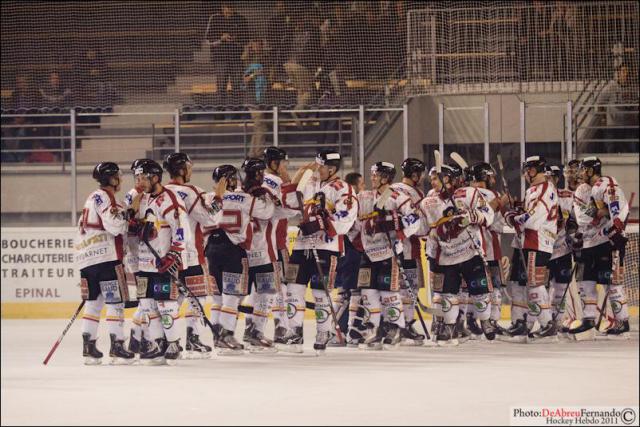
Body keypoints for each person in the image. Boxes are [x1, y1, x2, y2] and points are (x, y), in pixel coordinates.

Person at [281, 150, 357, 353]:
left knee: (319, 292)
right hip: (301, 245)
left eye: (320, 165)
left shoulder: (343, 188)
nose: (317, 169)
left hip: (325, 248)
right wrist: (300, 174)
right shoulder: (310, 183)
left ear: (331, 168)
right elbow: (289, 205)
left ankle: (324, 331)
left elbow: (345, 219)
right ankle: (294, 332)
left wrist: (321, 223)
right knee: (293, 290)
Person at [418, 163, 495, 346]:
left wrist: (473, 216)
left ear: (448, 179)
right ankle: (450, 326)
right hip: (446, 256)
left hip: (471, 252)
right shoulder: (428, 201)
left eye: (436, 178)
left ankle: (485, 320)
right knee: (448, 295)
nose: (432, 182)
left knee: (480, 293)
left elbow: (488, 214)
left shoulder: (468, 193)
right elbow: (422, 229)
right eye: (431, 179)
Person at [204, 162, 275, 354]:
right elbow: (267, 211)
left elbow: (205, 217)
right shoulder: (244, 198)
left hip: (211, 249)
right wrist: (267, 197)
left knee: (217, 299)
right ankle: (226, 335)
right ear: (232, 179)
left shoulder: (209, 197)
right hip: (233, 250)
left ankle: (217, 338)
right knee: (232, 296)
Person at [132, 159, 195, 364]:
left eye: (143, 177)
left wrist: (174, 254)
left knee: (166, 305)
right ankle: (158, 344)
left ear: (155, 177)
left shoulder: (170, 199)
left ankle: (173, 343)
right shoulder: (142, 198)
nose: (139, 181)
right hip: (144, 263)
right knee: (148, 305)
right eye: (137, 177)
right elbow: (135, 225)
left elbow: (181, 229)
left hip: (163, 262)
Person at [355, 162, 421, 350]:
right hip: (368, 252)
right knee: (368, 293)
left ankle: (395, 327)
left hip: (389, 252)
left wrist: (397, 227)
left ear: (386, 177)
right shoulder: (365, 196)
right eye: (372, 174)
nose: (373, 178)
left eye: (376, 175)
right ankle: (375, 328)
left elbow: (414, 219)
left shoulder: (398, 197)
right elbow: (353, 213)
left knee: (389, 293)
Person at [75, 162, 134, 365]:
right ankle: (117, 346)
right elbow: (115, 225)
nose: (121, 180)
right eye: (118, 176)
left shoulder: (91, 198)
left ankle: (88, 348)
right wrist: (129, 216)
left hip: (86, 260)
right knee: (115, 303)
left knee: (93, 303)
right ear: (112, 178)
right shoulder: (105, 197)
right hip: (106, 259)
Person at [569, 157, 631, 339]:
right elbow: (582, 218)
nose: (579, 173)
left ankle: (622, 322)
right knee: (585, 281)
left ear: (590, 171)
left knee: (612, 283)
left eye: (582, 170)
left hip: (609, 241)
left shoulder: (606, 183)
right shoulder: (581, 190)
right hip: (589, 243)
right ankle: (589, 319)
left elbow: (619, 211)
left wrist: (606, 217)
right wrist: (599, 212)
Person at [163, 152, 217, 358]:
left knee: (170, 301)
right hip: (192, 254)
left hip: (169, 256)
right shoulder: (192, 191)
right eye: (189, 166)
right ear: (182, 170)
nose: (191, 169)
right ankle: (193, 340)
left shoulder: (164, 190)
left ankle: (151, 338)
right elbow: (209, 218)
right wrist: (217, 198)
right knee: (199, 298)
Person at [503, 156, 559, 343]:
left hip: (538, 242)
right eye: (526, 169)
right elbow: (528, 214)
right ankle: (520, 324)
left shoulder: (545, 189)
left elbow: (533, 220)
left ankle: (547, 325)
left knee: (535, 284)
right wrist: (517, 210)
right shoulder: (533, 190)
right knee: (517, 283)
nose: (527, 173)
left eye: (531, 169)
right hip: (525, 242)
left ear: (540, 169)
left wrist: (514, 218)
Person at [260, 147, 302, 346]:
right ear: (274, 163)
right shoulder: (275, 181)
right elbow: (291, 210)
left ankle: (261, 328)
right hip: (274, 243)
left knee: (266, 288)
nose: (286, 166)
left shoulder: (257, 180)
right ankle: (281, 327)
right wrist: (290, 183)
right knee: (280, 287)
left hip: (261, 243)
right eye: (283, 163)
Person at [390, 158, 428, 345]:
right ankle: (406, 325)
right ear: (414, 175)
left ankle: (393, 325)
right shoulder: (416, 194)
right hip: (408, 248)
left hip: (388, 247)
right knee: (409, 289)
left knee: (392, 290)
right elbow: (421, 228)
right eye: (420, 174)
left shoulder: (391, 188)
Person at [467, 162, 508, 337]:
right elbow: (498, 225)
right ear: (484, 177)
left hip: (469, 249)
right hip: (490, 248)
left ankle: (469, 319)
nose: (493, 180)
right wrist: (505, 206)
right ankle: (491, 322)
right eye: (490, 176)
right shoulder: (493, 195)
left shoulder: (466, 193)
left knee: (470, 287)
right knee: (496, 287)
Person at [544, 165, 576, 337]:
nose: (548, 180)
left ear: (557, 178)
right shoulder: (537, 195)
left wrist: (575, 235)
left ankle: (558, 321)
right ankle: (546, 322)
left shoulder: (568, 196)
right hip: (544, 249)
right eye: (546, 177)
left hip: (563, 250)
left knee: (561, 288)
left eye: (551, 177)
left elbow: (575, 221)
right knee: (542, 288)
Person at [334, 172, 365, 347]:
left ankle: (342, 333)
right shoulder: (354, 202)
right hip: (352, 254)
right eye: (362, 185)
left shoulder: (343, 202)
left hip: (343, 252)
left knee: (345, 294)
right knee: (350, 294)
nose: (364, 188)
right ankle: (345, 333)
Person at [206, 2, 248, 107]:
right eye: (226, 8)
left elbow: (246, 39)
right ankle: (219, 113)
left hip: (237, 58)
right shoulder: (215, 18)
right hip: (220, 58)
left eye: (231, 8)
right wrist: (221, 38)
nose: (228, 10)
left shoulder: (241, 19)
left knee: (237, 85)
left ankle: (237, 112)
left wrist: (236, 39)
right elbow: (208, 39)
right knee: (221, 85)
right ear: (222, 7)